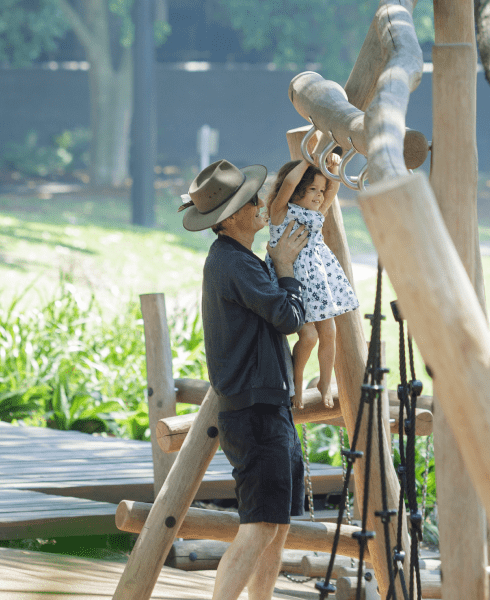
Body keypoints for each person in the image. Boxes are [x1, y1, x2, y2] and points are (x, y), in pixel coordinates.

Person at [179, 159, 310, 600]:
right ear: (232, 215)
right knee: (260, 527)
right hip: (257, 415)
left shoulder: (235, 260)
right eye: (253, 200)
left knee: (276, 526)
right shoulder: (235, 264)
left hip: (265, 409)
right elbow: (288, 317)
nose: (261, 205)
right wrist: (286, 266)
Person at [265, 157, 359, 410]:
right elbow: (288, 182)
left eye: (320, 190)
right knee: (308, 336)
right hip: (293, 283)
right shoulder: (280, 212)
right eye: (312, 189)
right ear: (297, 191)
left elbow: (333, 189)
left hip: (317, 282)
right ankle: (296, 383)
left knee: (329, 332)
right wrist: (307, 160)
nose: (319, 195)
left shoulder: (315, 215)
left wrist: (334, 167)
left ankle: (325, 382)